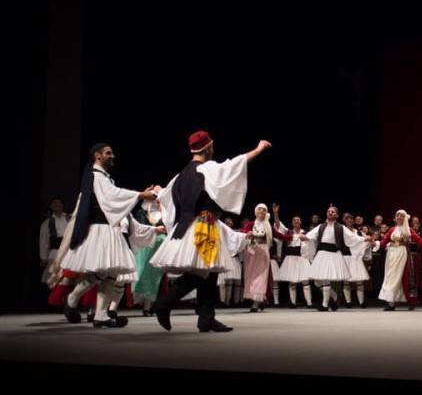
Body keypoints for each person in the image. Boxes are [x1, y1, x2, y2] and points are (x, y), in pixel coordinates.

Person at [150, 132, 272, 332]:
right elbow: (234, 165)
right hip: (203, 226)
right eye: (212, 146)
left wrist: (158, 192)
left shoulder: (181, 174)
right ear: (206, 148)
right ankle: (164, 303)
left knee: (210, 272)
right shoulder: (207, 168)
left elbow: (166, 196)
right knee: (201, 273)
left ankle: (206, 318)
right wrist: (258, 150)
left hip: (188, 225)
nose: (213, 150)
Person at [55, 143, 161, 328]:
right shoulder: (96, 176)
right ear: (98, 156)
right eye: (108, 153)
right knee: (104, 271)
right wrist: (140, 195)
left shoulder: (104, 177)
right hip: (101, 228)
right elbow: (112, 196)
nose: (112, 156)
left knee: (110, 272)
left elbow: (115, 198)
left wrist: (140, 196)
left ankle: (99, 313)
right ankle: (76, 300)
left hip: (109, 228)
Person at [300, 206, 373, 312]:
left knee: (325, 279)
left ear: (337, 215)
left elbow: (352, 238)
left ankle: (325, 305)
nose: (330, 213)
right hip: (321, 254)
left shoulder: (340, 227)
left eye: (333, 212)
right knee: (317, 282)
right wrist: (305, 237)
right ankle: (335, 297)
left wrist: (364, 238)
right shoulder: (321, 226)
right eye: (328, 211)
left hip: (333, 254)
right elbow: (311, 235)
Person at [378, 210, 422, 311]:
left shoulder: (408, 230)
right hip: (392, 255)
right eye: (398, 215)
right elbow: (384, 241)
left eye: (401, 216)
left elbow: (418, 240)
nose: (399, 217)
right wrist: (374, 243)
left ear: (405, 218)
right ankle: (391, 303)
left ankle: (410, 301)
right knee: (391, 277)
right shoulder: (392, 229)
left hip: (402, 254)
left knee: (404, 277)